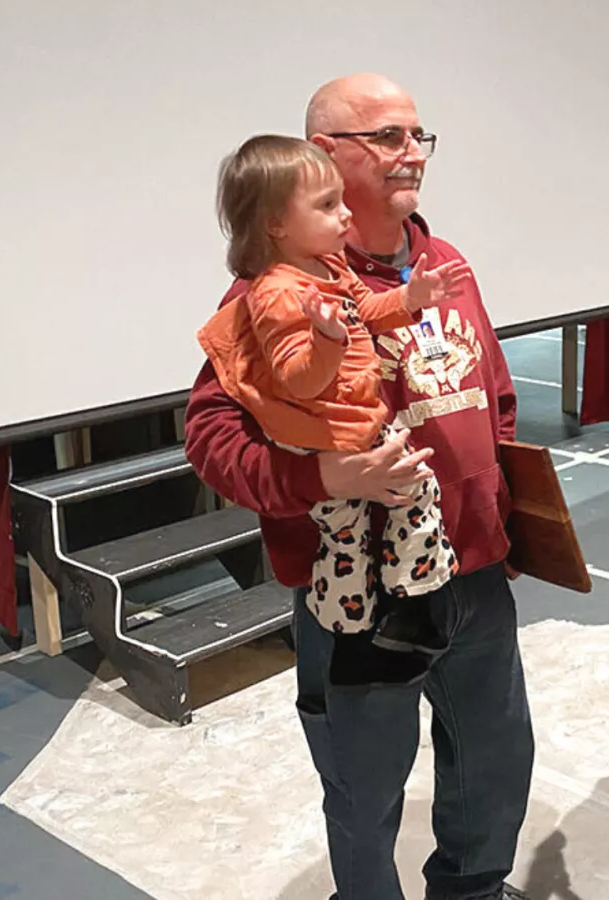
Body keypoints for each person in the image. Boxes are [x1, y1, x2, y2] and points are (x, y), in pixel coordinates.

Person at [183, 73, 532, 900]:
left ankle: (472, 889)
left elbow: (498, 398)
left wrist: (509, 516)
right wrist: (321, 476)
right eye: (387, 137)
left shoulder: (445, 263)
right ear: (325, 157)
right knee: (364, 785)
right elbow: (210, 439)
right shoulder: (277, 294)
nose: (412, 153)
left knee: (493, 760)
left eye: (418, 135)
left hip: (474, 572)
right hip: (356, 593)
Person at [197, 135, 469, 655]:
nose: (345, 216)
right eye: (326, 205)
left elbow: (367, 308)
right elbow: (299, 379)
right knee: (346, 531)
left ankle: (408, 606)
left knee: (413, 496)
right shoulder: (276, 293)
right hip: (323, 434)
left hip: (359, 420)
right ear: (275, 224)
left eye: (341, 200)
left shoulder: (334, 264)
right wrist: (326, 339)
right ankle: (349, 626)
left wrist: (410, 298)